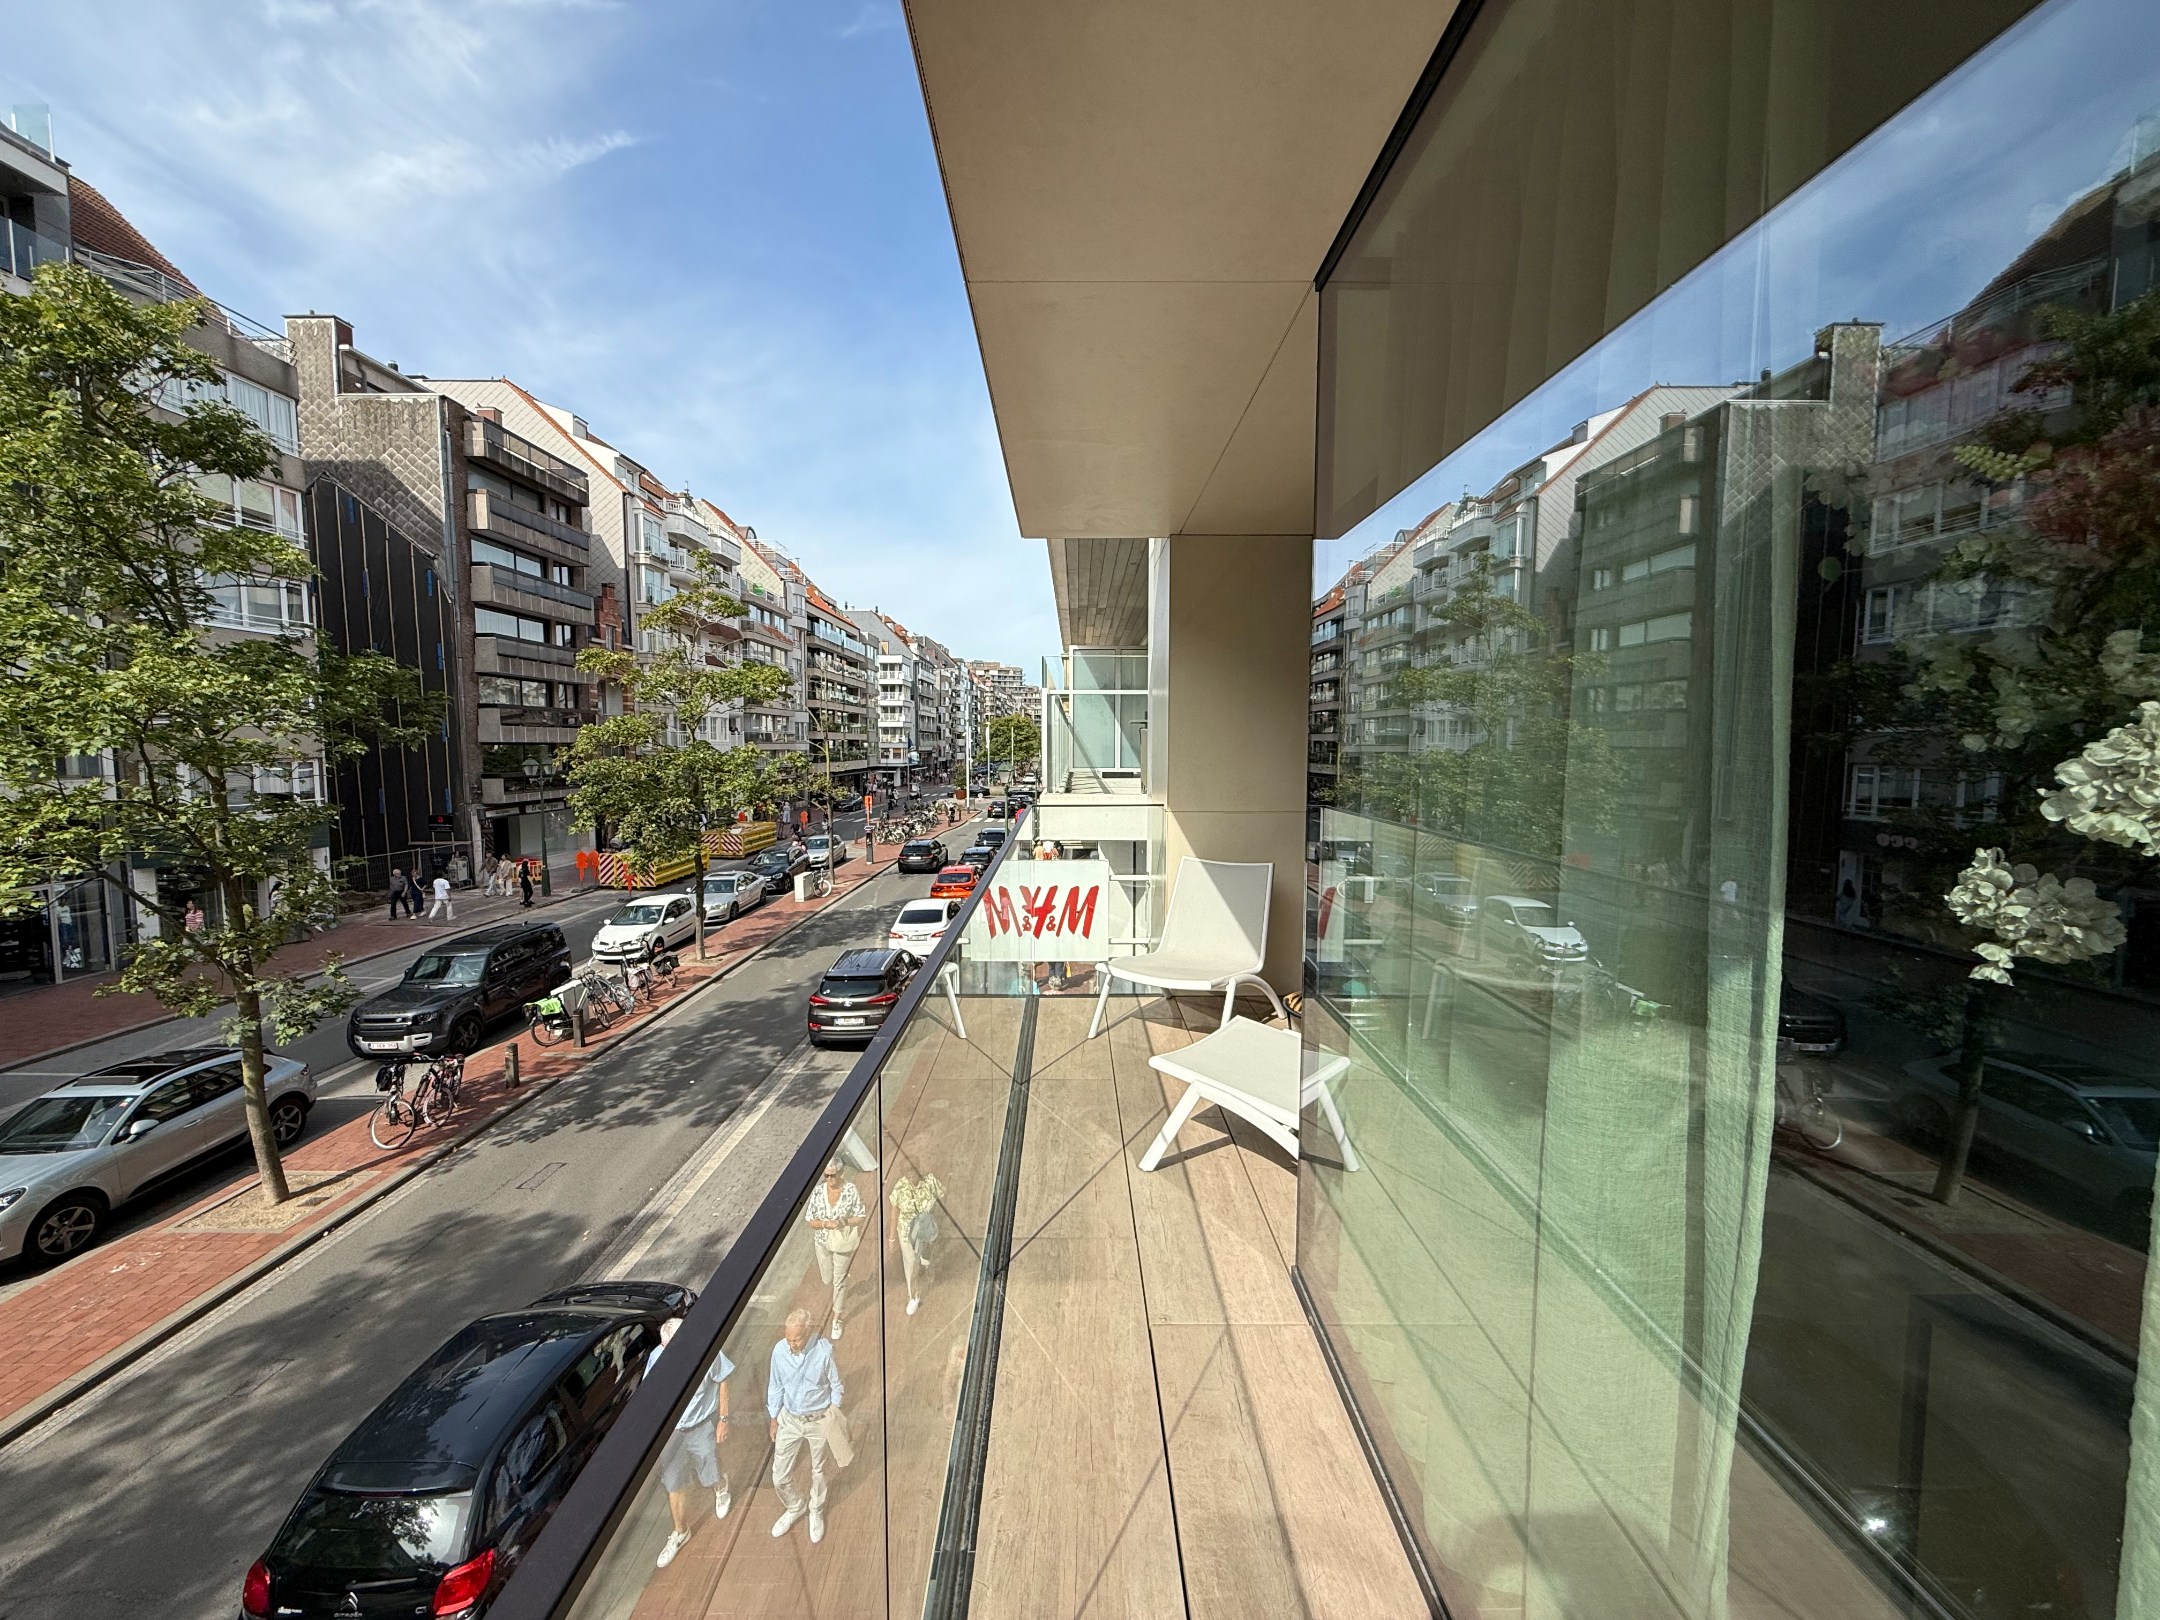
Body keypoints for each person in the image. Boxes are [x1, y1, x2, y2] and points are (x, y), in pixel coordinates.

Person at [647, 1318, 733, 1569]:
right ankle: (681, 1532)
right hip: (673, 1431)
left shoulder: (707, 1351)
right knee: (674, 1482)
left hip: (701, 1425)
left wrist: (723, 1419)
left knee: (709, 1472)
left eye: (669, 1348)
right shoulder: (657, 1356)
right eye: (663, 1347)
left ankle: (721, 1486)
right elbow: (652, 1391)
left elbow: (724, 1378)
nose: (665, 1353)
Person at [766, 1308, 843, 1544]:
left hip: (819, 1420)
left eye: (797, 1339)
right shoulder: (779, 1351)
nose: (792, 1345)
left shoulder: (823, 1351)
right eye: (788, 1339)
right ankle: (795, 1506)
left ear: (808, 1332)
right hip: (789, 1419)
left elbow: (836, 1386)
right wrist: (773, 1419)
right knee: (779, 1476)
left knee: (818, 1472)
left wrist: (833, 1416)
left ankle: (816, 1510)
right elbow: (775, 1386)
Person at [805, 1161, 866, 1340]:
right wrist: (825, 1224)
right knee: (827, 1278)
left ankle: (837, 1318)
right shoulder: (817, 1193)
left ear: (841, 1173)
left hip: (842, 1242)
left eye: (833, 1175)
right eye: (826, 1175)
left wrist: (843, 1222)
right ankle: (840, 1278)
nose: (830, 1179)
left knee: (838, 1282)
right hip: (823, 1241)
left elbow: (861, 1216)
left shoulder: (851, 1191)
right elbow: (810, 1220)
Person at [890, 1172, 944, 1316]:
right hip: (907, 1232)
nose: (911, 1180)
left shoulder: (930, 1180)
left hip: (926, 1231)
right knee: (911, 1264)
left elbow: (942, 1197)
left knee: (926, 1260)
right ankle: (914, 1296)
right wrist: (891, 1238)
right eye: (908, 1177)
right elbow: (894, 1211)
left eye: (913, 1176)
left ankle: (928, 1267)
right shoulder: (900, 1187)